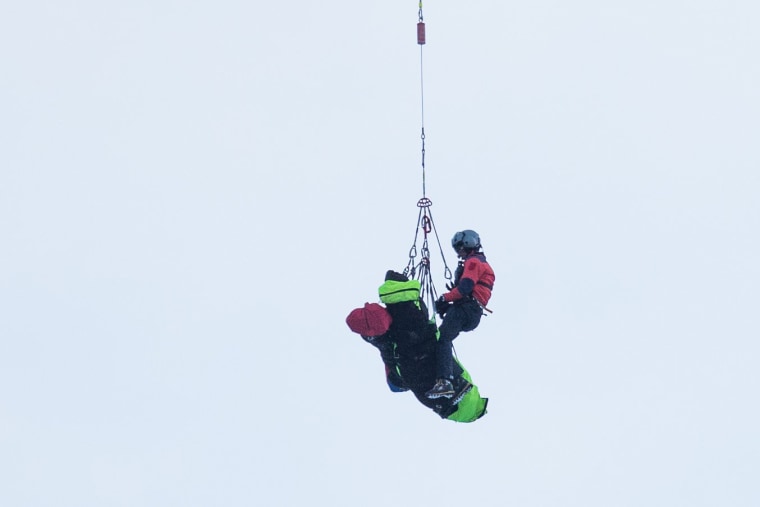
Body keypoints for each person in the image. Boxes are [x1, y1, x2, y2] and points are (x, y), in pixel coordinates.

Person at [346, 270, 488, 422]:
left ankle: (446, 384)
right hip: (444, 391)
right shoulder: (402, 325)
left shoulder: (384, 340)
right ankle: (445, 383)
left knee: (399, 379)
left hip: (438, 392)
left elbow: (397, 381)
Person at [426, 230, 495, 399]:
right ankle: (456, 383)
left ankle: (446, 382)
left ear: (468, 244)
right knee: (445, 340)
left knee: (442, 339)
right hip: (472, 312)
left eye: (460, 248)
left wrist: (445, 298)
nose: (459, 252)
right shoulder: (479, 263)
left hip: (467, 308)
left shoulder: (473, 262)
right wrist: (448, 306)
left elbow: (465, 288)